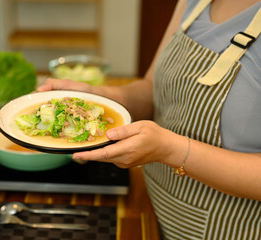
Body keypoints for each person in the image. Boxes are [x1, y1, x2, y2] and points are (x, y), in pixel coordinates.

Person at [38, 0, 261, 238]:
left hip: (224, 230)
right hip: (151, 209)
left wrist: (169, 149)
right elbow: (151, 91)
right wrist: (97, 99)